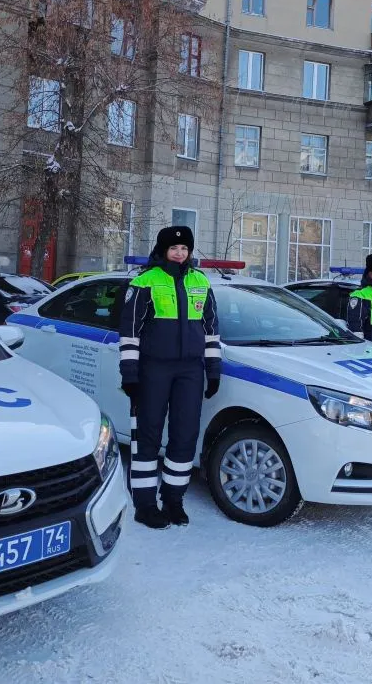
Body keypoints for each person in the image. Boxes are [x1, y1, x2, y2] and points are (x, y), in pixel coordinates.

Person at [118, 226, 220, 529]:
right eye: (174, 249)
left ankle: (174, 499)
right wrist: (130, 374)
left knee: (185, 435)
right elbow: (130, 333)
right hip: (153, 368)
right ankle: (145, 504)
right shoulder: (144, 282)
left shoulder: (201, 281)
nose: (180, 253)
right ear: (163, 250)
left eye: (185, 249)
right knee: (147, 436)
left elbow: (212, 330)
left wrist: (212, 371)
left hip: (190, 370)